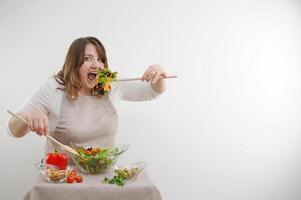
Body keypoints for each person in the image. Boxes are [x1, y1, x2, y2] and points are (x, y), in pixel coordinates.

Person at [7, 36, 166, 153]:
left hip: (102, 175)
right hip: (63, 177)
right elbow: (12, 131)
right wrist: (29, 117)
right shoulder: (53, 88)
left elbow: (152, 92)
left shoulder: (110, 82)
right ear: (73, 64)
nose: (97, 65)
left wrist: (158, 73)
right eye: (88, 59)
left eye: (100, 59)